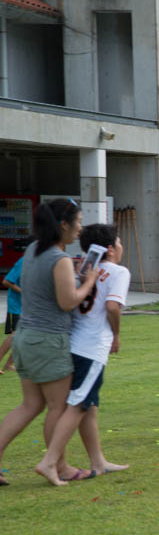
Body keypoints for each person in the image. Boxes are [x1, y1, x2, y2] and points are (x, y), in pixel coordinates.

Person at [0, 199, 98, 487]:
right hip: (48, 340)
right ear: (63, 224)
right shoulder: (59, 259)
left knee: (29, 405)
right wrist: (89, 281)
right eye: (78, 222)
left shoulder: (33, 250)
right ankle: (61, 466)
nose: (81, 228)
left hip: (25, 337)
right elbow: (68, 302)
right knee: (58, 407)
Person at [34, 224, 130, 486]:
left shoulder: (83, 270)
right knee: (77, 406)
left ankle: (98, 462)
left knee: (90, 406)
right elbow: (112, 306)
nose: (122, 247)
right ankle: (50, 461)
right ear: (110, 249)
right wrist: (117, 334)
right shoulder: (119, 271)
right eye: (119, 243)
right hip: (91, 348)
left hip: (73, 344)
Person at [0, 244, 31, 374]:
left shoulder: (36, 262)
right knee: (16, 335)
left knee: (22, 336)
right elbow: (6, 282)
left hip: (26, 305)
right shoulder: (24, 261)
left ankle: (8, 365)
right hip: (16, 306)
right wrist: (24, 292)